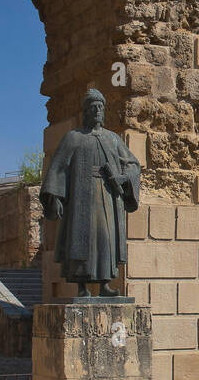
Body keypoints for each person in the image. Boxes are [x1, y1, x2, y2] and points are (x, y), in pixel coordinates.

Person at [40, 88, 141, 297]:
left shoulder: (112, 139)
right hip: (80, 197)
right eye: (93, 107)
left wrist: (123, 178)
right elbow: (57, 167)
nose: (97, 110)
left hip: (106, 196)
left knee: (105, 238)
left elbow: (133, 164)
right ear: (86, 111)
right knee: (81, 238)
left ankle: (105, 284)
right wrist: (55, 197)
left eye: (100, 107)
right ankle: (82, 287)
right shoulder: (73, 138)